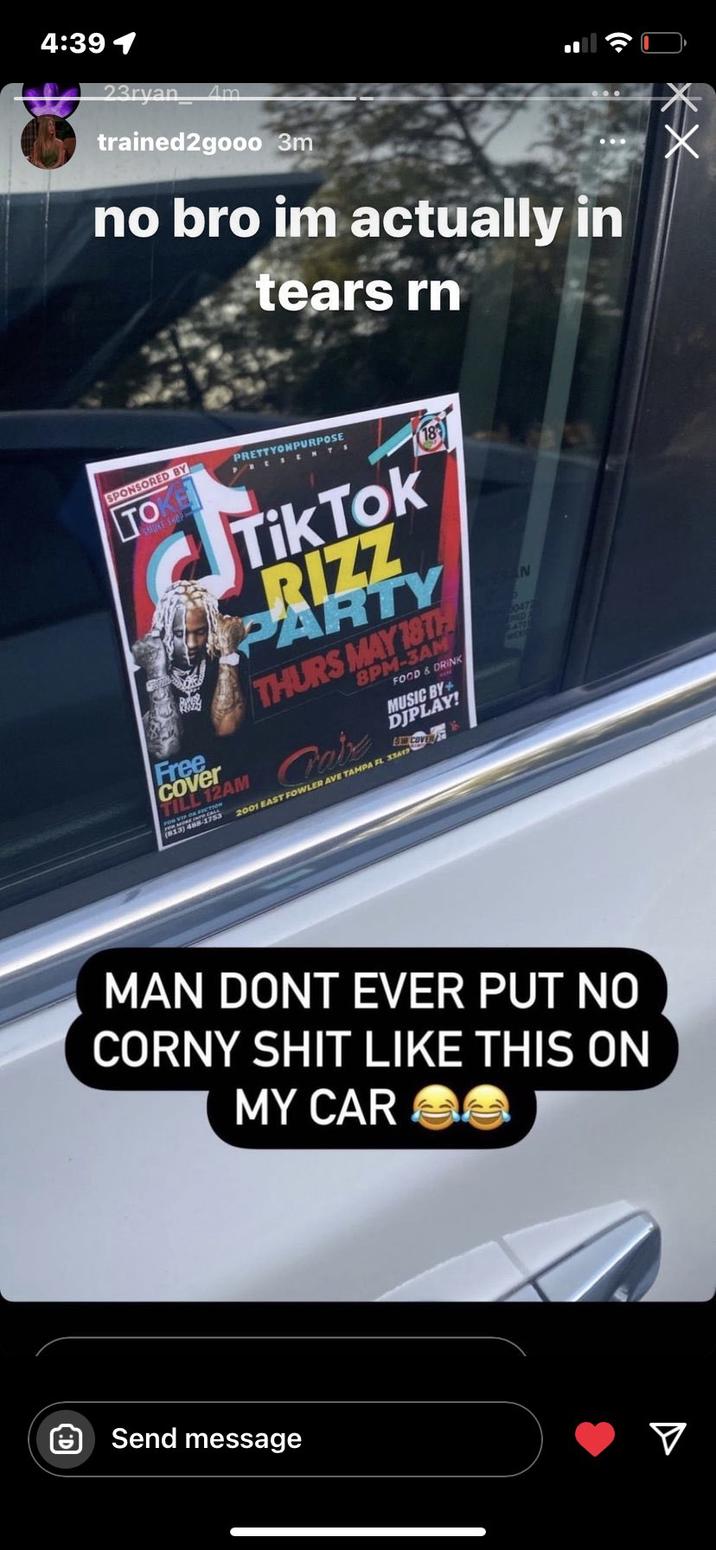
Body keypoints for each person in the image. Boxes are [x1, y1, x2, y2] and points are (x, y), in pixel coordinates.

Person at [132, 580, 247, 759]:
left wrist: (227, 652)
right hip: (179, 774)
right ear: (165, 631)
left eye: (200, 632)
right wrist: (157, 672)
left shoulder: (229, 661)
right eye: (180, 634)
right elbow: (166, 748)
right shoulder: (144, 677)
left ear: (210, 629)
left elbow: (227, 728)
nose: (191, 644)